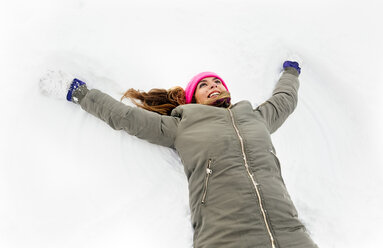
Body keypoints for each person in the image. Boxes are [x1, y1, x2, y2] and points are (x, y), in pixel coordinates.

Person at [44, 61, 318, 248]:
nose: (214, 86)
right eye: (204, 85)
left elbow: (285, 100)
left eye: (217, 82)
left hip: (292, 236)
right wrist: (79, 92)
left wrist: (291, 72)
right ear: (192, 99)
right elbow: (125, 117)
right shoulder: (182, 125)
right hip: (226, 238)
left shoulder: (256, 118)